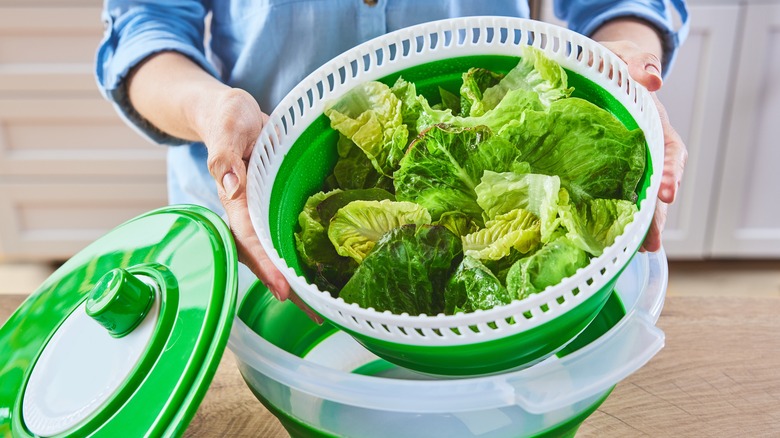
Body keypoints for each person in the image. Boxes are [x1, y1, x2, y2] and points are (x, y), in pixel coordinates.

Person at [96, 0, 689, 309]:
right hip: (254, 215)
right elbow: (146, 26)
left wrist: (625, 65)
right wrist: (212, 110)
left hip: (504, 156)